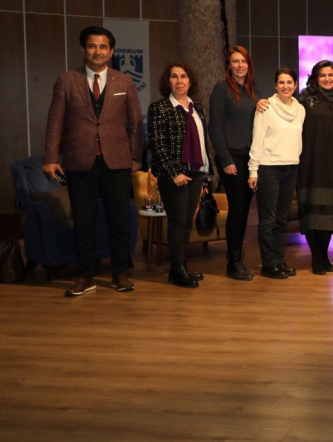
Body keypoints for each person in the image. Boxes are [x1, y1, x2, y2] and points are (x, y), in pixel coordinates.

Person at [43, 26, 143, 297]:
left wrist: (135, 157)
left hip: (117, 162)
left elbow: (135, 121)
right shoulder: (67, 80)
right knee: (83, 222)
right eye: (91, 46)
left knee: (119, 221)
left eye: (102, 47)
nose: (97, 51)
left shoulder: (124, 81)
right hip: (79, 162)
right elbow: (55, 122)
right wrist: (51, 158)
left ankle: (120, 273)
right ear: (83, 49)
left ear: (111, 51)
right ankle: (85, 276)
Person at [148, 62, 213, 288]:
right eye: (174, 77)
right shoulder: (159, 108)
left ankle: (181, 266)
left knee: (187, 221)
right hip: (173, 174)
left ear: (190, 81)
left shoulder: (197, 108)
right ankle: (177, 269)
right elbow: (157, 145)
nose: (179, 81)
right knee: (177, 221)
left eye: (183, 76)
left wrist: (206, 172)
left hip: (196, 171)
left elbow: (203, 142)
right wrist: (174, 172)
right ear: (168, 82)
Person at [209, 46, 260, 281]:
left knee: (244, 209)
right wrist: (225, 159)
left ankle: (236, 256)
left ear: (249, 65)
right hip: (231, 158)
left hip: (250, 159)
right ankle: (234, 263)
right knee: (237, 208)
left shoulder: (253, 91)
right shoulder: (222, 89)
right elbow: (215, 128)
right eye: (235, 61)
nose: (240, 65)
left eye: (243, 61)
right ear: (229, 65)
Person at [248, 68, 305, 279]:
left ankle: (279, 261)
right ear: (275, 85)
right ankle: (268, 264)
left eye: (289, 82)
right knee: (268, 220)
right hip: (269, 168)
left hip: (292, 168)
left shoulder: (300, 109)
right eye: (281, 82)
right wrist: (253, 170)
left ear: (295, 85)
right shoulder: (266, 107)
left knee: (282, 220)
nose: (285, 86)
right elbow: (257, 139)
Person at [297, 60, 333, 275]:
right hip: (311, 162)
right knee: (313, 211)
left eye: (331, 75)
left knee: (331, 212)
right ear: (315, 78)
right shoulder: (303, 101)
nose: (327, 79)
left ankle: (324, 255)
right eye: (322, 75)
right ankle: (316, 258)